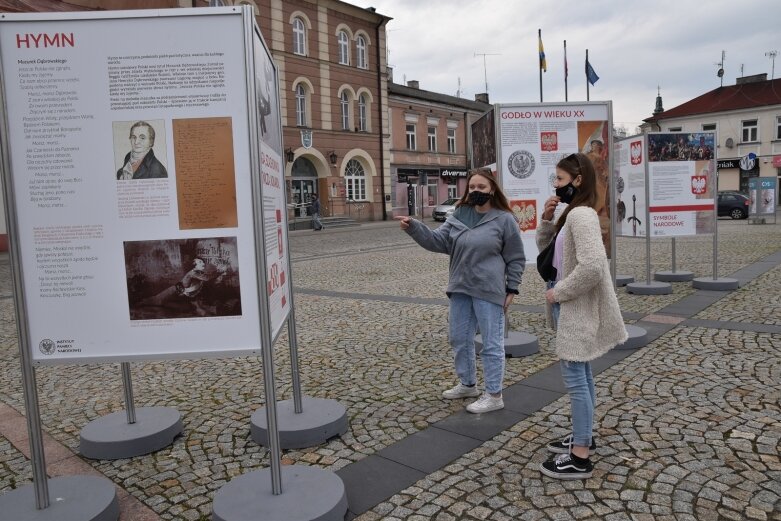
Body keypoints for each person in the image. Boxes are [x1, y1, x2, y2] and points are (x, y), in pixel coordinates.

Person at [394, 169, 525, 414]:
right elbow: (437, 242)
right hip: (461, 287)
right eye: (472, 187)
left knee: (491, 343)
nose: (476, 191)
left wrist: (512, 288)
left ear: (492, 190)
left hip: (489, 289)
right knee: (459, 338)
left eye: (481, 187)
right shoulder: (459, 215)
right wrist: (414, 227)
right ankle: (468, 384)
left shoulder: (504, 219)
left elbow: (516, 257)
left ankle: (494, 395)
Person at [536, 153, 627, 479]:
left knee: (576, 381)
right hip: (570, 306)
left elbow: (591, 266)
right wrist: (547, 221)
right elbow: (550, 253)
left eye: (560, 180)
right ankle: (582, 436)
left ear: (577, 180)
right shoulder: (572, 213)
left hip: (574, 307)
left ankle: (580, 456)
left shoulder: (582, 216)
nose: (556, 187)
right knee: (582, 377)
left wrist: (558, 293)